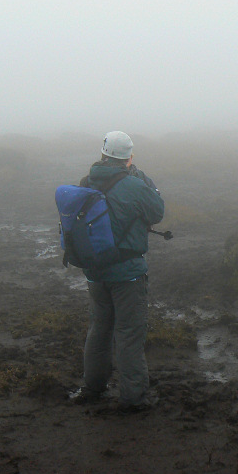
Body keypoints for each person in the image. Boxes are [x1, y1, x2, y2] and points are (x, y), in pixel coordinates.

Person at [70, 131, 165, 411]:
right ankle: (133, 398)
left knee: (99, 329)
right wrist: (144, 181)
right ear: (128, 157)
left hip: (95, 273)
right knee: (129, 334)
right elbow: (157, 212)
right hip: (128, 274)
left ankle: (92, 387)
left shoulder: (87, 181)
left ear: (103, 154)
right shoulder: (134, 184)